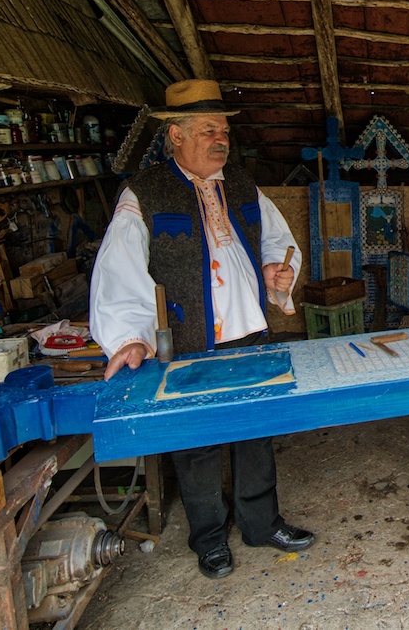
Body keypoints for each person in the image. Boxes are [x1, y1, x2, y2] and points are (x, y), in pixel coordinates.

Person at [90, 79, 314, 580]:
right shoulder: (144, 194)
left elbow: (278, 239)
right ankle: (210, 539)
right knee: (196, 445)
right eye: (208, 130)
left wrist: (277, 270)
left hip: (249, 333)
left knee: (256, 433)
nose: (221, 139)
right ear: (175, 135)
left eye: (224, 131)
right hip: (189, 341)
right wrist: (128, 336)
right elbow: (118, 271)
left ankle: (262, 524)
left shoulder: (239, 182)